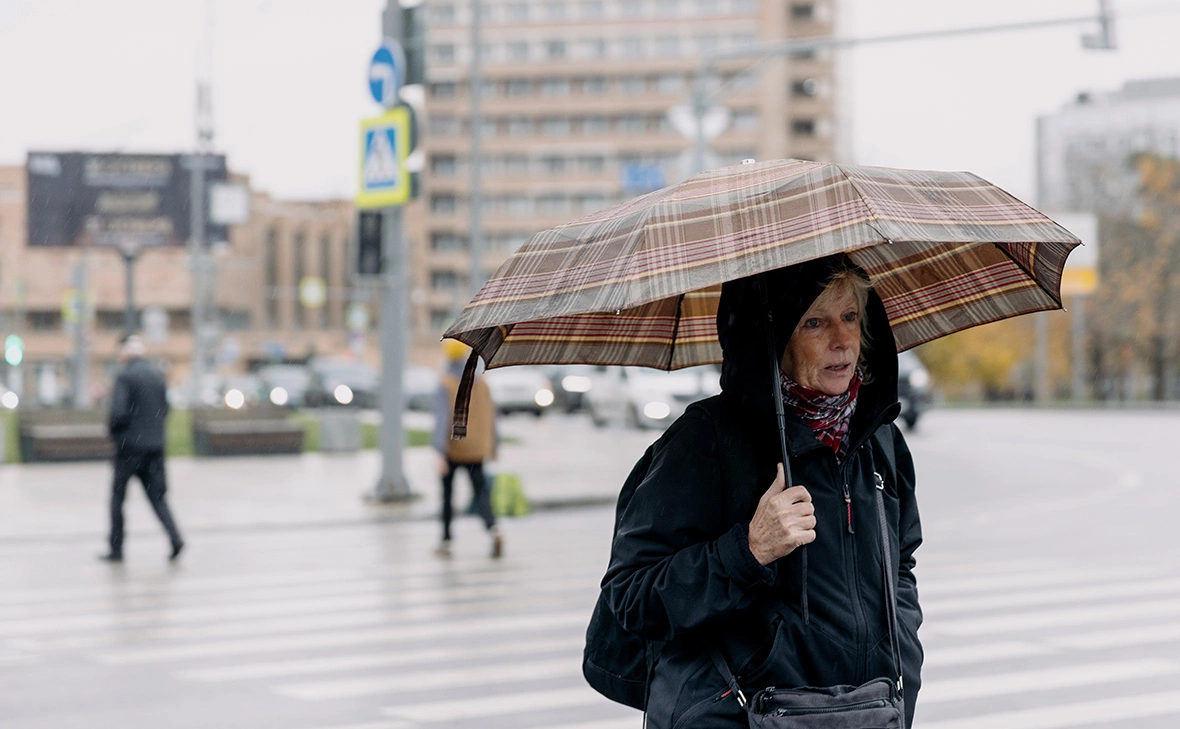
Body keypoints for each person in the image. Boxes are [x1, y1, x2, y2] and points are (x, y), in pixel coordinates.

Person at [602, 254, 924, 728]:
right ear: (770, 337)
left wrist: (904, 669)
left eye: (850, 317)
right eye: (814, 322)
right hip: (740, 715)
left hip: (863, 714)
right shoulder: (706, 440)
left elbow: (900, 568)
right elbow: (631, 596)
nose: (842, 340)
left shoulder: (880, 439)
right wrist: (748, 552)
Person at [101, 334, 184, 563]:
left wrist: (115, 433)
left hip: (129, 448)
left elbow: (118, 413)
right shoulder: (157, 375)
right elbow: (165, 408)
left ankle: (116, 548)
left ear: (124, 353)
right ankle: (175, 538)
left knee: (118, 498)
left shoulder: (125, 376)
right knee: (158, 497)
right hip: (155, 446)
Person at [431, 339, 503, 558]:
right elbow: (492, 416)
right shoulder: (482, 383)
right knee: (481, 493)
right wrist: (494, 445)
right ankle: (493, 529)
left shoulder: (445, 383)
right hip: (476, 450)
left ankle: (446, 541)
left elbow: (442, 420)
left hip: (453, 450)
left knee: (447, 496)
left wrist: (439, 451)